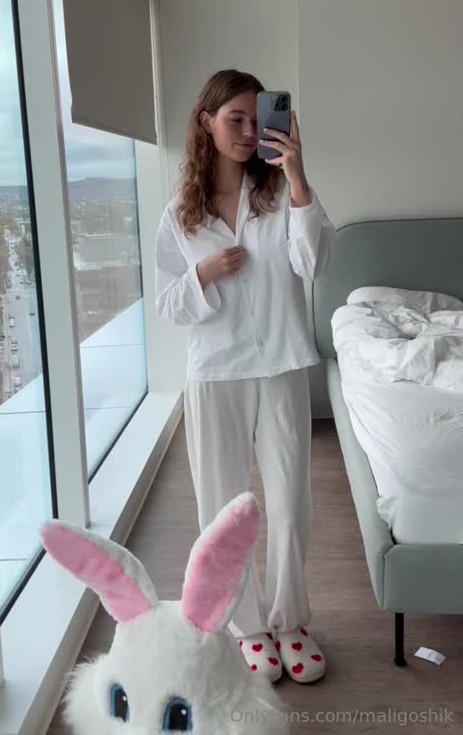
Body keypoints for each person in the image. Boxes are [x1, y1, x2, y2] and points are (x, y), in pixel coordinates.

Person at [154, 69, 336, 685]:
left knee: (289, 504)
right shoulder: (181, 214)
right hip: (216, 372)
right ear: (206, 122)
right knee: (223, 507)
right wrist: (201, 274)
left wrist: (298, 176)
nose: (249, 131)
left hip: (281, 365)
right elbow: (168, 304)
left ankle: (290, 622)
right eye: (235, 119)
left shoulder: (280, 194)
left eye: (257, 120)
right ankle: (247, 626)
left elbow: (315, 262)